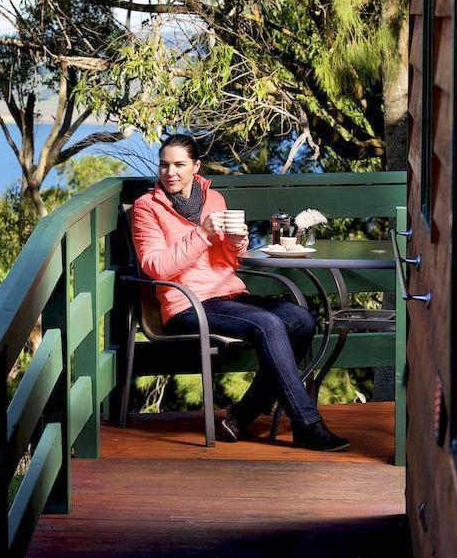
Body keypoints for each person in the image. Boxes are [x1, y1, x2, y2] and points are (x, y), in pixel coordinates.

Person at [129, 133, 350, 451]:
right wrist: (201, 235)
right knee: (269, 324)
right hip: (187, 303)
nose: (170, 172)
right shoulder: (146, 208)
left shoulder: (214, 200)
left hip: (228, 294)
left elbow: (227, 260)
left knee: (301, 319)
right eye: (164, 165)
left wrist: (237, 241)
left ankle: (241, 415)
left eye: (179, 164)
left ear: (196, 167)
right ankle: (307, 426)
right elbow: (155, 266)